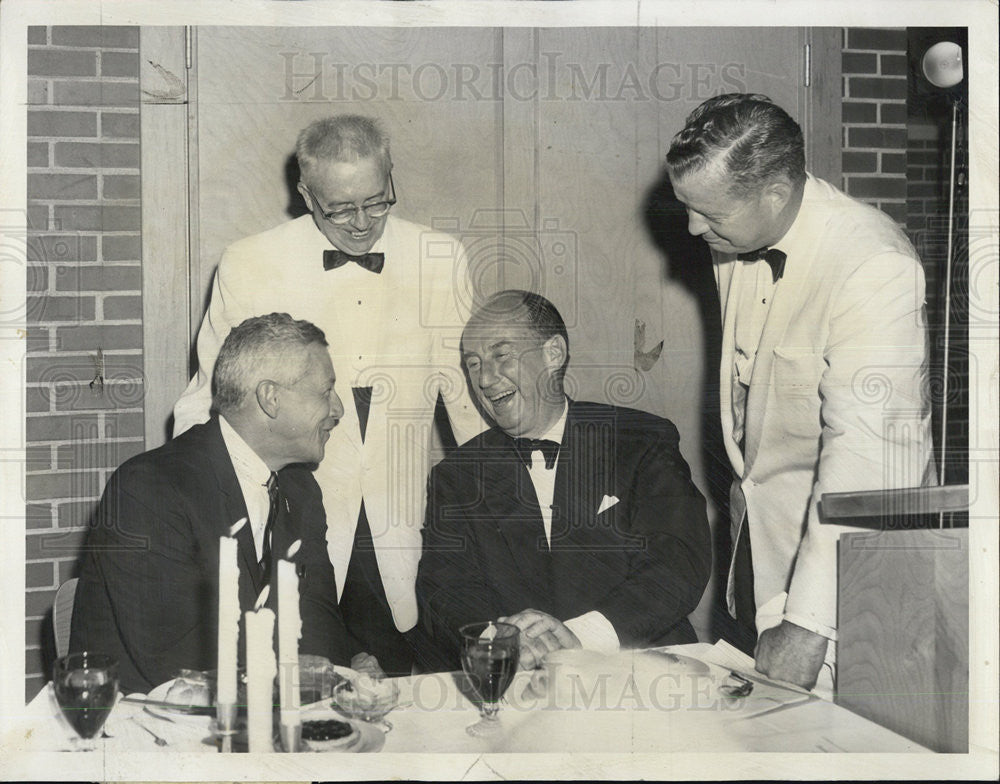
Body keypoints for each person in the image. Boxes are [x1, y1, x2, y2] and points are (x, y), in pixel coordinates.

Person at [171, 115, 486, 675]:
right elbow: (210, 399)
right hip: (292, 517)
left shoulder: (442, 257)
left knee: (399, 691)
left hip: (401, 518)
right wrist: (198, 512)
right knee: (304, 693)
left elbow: (469, 402)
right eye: (340, 209)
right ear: (305, 194)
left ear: (391, 177)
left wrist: (502, 515)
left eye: (377, 201)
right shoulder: (249, 261)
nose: (363, 224)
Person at [665, 93, 933, 691]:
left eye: (708, 213)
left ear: (776, 195)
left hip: (846, 588)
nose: (692, 227)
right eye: (686, 205)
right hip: (755, 559)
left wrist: (810, 625)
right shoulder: (735, 234)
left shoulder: (874, 265)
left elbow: (870, 460)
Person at [72, 313, 380, 694]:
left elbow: (317, 622)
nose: (338, 409)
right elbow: (177, 662)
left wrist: (337, 675)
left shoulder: (300, 490)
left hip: (260, 715)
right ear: (270, 397)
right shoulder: (149, 490)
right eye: (326, 391)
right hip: (156, 728)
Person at [415, 290, 711, 671]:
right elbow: (446, 586)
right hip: (522, 679)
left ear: (553, 354)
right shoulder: (456, 475)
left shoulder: (640, 439)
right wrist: (500, 640)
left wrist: (582, 637)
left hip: (640, 673)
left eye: (501, 356)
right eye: (473, 364)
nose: (485, 379)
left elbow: (678, 560)